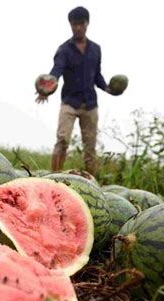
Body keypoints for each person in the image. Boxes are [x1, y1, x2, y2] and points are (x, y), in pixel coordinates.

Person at [36, 6, 118, 175]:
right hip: (69, 103)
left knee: (90, 147)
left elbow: (97, 75)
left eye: (81, 24)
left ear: (87, 23)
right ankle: (54, 176)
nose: (78, 27)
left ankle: (93, 183)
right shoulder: (64, 50)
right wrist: (46, 88)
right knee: (62, 139)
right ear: (70, 25)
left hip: (90, 104)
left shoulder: (96, 49)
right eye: (74, 24)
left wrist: (108, 88)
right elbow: (56, 71)